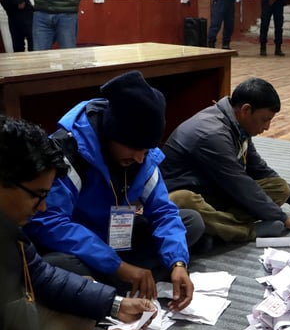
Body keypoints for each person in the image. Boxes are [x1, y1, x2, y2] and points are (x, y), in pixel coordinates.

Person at [0, 115, 153, 330]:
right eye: (36, 196)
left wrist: (114, 303)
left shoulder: (9, 224)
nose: (42, 209)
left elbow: (41, 275)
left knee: (84, 288)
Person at [24, 71, 201, 308]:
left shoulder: (141, 157)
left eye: (146, 150)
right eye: (134, 148)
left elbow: (163, 212)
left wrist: (178, 263)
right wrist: (118, 266)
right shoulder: (68, 151)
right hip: (80, 246)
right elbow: (50, 223)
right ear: (110, 134)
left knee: (191, 222)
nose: (140, 158)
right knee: (57, 263)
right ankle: (122, 280)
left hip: (116, 239)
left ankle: (107, 283)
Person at [161, 77, 290, 243]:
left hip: (213, 190)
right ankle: (246, 231)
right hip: (184, 196)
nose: (267, 127)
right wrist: (283, 218)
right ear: (246, 110)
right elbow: (239, 184)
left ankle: (214, 230)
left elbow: (259, 169)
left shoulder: (237, 126)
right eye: (265, 119)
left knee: (280, 187)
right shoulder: (212, 134)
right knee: (183, 200)